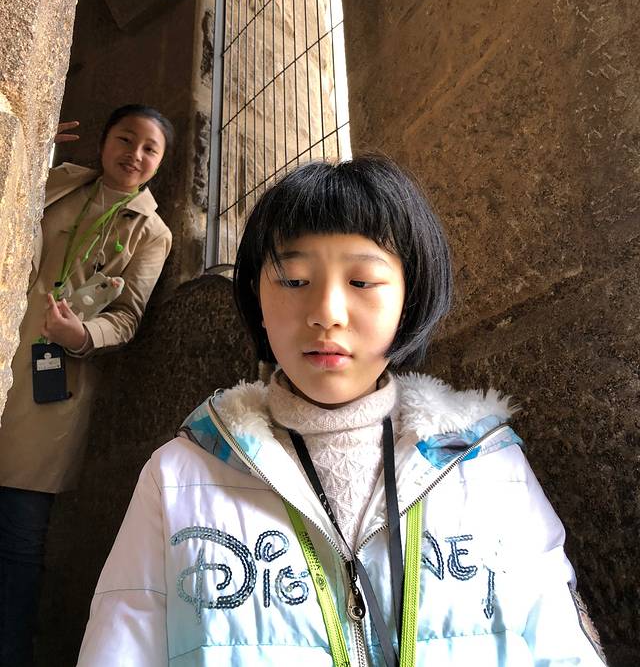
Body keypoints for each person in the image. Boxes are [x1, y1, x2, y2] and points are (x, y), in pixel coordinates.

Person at [78, 156, 605, 666]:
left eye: (362, 282)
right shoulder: (177, 477)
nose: (327, 313)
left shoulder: (490, 467)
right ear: (258, 300)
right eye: (293, 280)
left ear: (410, 298)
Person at [0, 104, 174, 667]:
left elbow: (127, 317)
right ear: (103, 142)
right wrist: (23, 144)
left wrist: (81, 335)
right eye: (125, 138)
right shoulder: (59, 181)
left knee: (19, 535)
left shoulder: (152, 232)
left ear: (160, 163)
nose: (134, 154)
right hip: (6, 337)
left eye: (149, 149)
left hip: (49, 382)